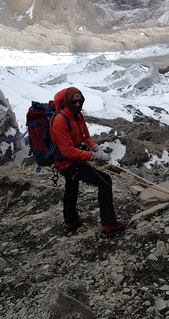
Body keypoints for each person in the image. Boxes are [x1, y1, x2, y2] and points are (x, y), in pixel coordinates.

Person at [50, 87, 126, 237]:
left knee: (72, 186)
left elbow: (86, 138)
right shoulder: (60, 120)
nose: (78, 104)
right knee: (105, 181)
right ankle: (109, 225)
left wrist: (96, 148)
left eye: (80, 101)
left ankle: (71, 220)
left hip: (73, 160)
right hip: (67, 163)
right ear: (67, 101)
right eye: (74, 102)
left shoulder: (77, 116)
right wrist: (94, 156)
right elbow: (67, 151)